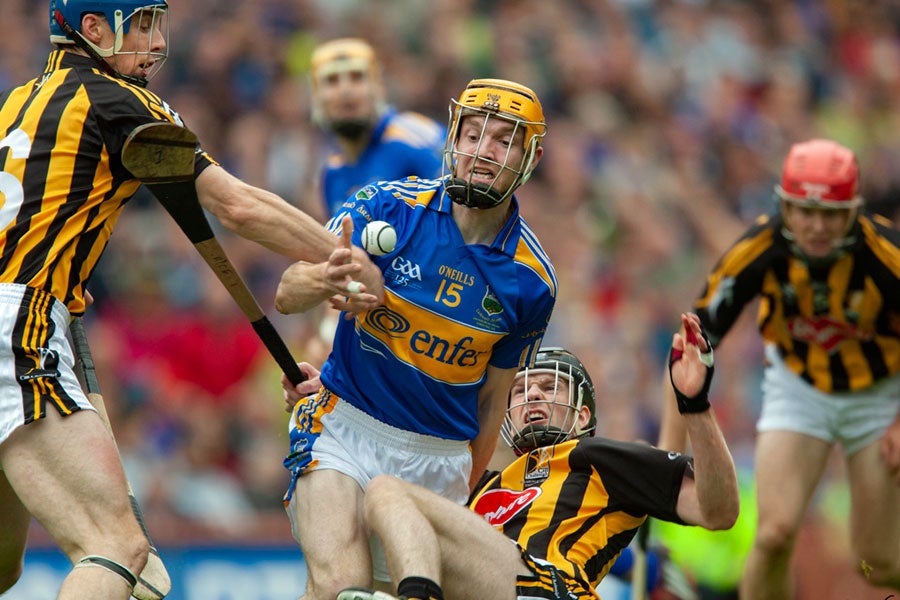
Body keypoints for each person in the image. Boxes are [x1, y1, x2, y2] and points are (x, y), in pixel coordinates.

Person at [0, 3, 379, 599]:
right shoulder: (117, 98)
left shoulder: (18, 100)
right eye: (139, 25)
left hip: (32, 312)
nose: (153, 41)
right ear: (92, 30)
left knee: (2, 566)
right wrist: (348, 258)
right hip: (17, 323)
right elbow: (238, 207)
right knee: (117, 549)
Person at [276, 77, 558, 599]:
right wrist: (328, 279)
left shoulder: (533, 282)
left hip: (441, 459)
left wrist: (465, 484)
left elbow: (494, 399)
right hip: (342, 427)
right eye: (473, 134)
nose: (483, 151)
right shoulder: (385, 206)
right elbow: (288, 291)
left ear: (530, 158)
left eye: (503, 140)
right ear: (453, 138)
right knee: (343, 587)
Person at [330, 312, 739, 600]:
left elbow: (718, 510)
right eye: (522, 390)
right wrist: (333, 400)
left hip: (547, 588)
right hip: (484, 583)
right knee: (375, 502)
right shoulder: (478, 481)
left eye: (548, 386)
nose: (533, 395)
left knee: (388, 491)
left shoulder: (599, 457)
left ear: (582, 415)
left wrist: (695, 404)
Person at [658, 138, 900, 598]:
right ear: (785, 206)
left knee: (879, 562)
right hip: (799, 389)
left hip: (878, 394)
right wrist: (663, 457)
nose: (816, 226)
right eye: (804, 211)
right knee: (773, 535)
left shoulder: (887, 255)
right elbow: (691, 344)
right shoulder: (760, 248)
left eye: (830, 213)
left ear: (853, 211)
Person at [308, 37, 445, 219]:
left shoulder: (411, 140)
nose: (345, 90)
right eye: (332, 81)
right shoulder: (332, 174)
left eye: (357, 77)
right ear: (316, 96)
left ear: (379, 87)